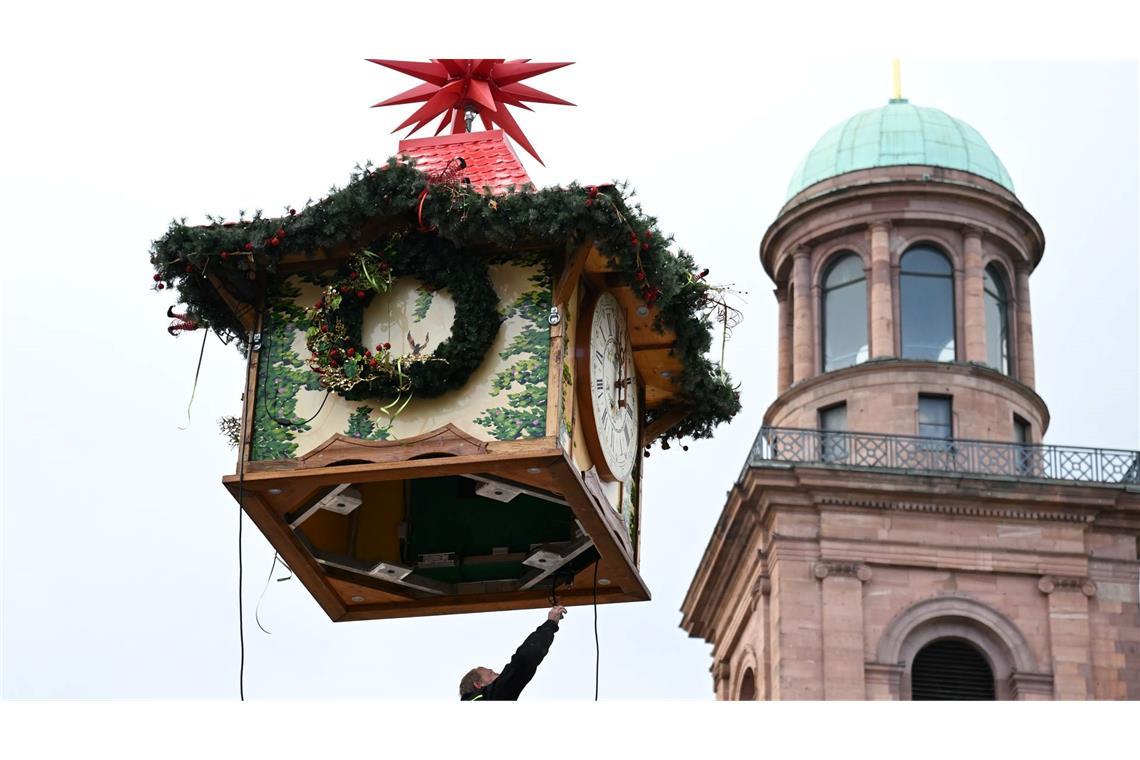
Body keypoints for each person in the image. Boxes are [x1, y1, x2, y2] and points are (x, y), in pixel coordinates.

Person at [458, 605, 567, 700]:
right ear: (478, 685)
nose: (499, 675)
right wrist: (551, 623)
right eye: (491, 674)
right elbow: (522, 661)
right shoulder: (492, 696)